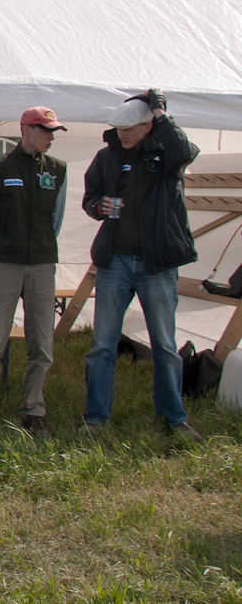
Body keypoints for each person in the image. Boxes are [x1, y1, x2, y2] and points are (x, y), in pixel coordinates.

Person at [81, 89, 202, 440]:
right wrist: (97, 207)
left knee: (165, 345)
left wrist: (163, 114)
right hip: (114, 260)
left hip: (158, 263)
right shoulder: (106, 157)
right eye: (118, 127)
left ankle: (174, 419)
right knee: (102, 344)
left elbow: (186, 151)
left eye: (129, 127)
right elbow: (90, 198)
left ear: (149, 126)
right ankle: (96, 419)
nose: (122, 133)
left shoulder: (168, 155)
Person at [0, 107, 68, 439]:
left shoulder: (58, 170)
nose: (51, 136)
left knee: (42, 342)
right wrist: (4, 248)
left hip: (42, 265)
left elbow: (56, 220)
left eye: (54, 131)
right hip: (4, 265)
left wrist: (37, 249)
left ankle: (33, 410)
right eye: (45, 130)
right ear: (25, 129)